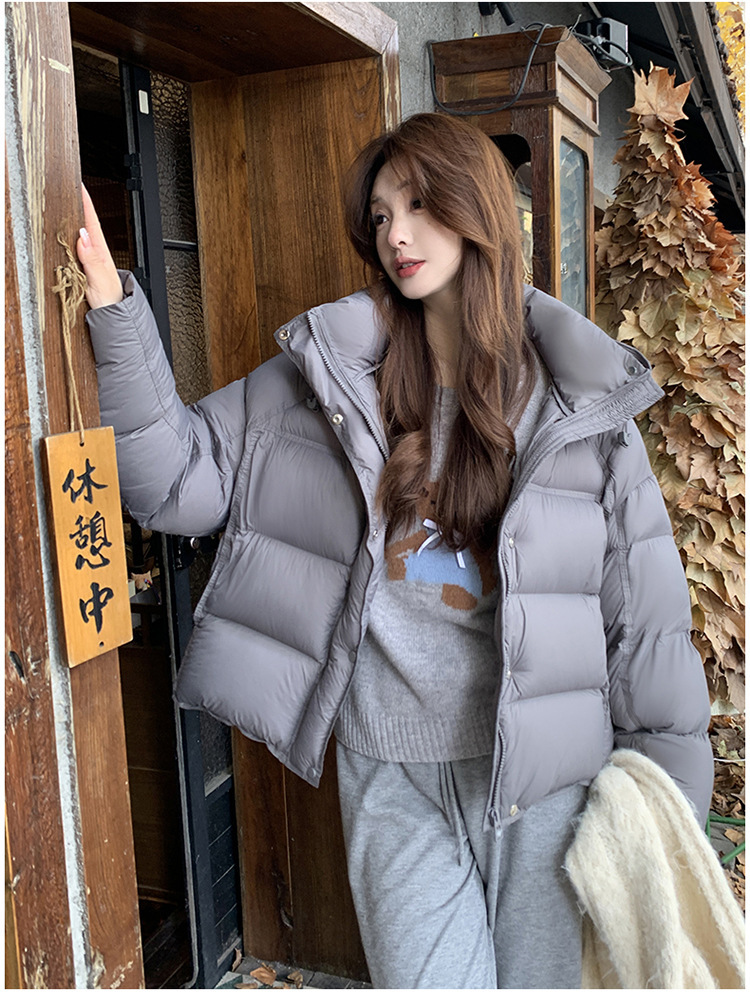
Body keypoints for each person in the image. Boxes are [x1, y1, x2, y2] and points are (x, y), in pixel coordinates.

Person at [78, 112, 713, 990]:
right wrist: (115, 311)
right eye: (380, 216)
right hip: (391, 780)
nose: (396, 235)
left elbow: (647, 632)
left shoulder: (580, 404)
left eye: (418, 204)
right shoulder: (325, 381)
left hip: (547, 784)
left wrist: (669, 830)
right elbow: (177, 479)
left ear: (477, 206)